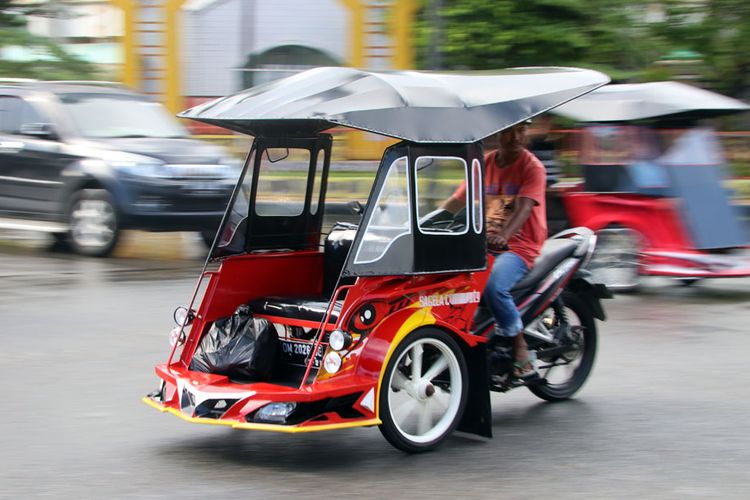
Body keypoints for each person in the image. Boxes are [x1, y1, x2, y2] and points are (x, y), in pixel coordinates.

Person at [442, 121, 547, 380]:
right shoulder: (485, 163)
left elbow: (523, 209)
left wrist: (503, 236)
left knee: (494, 285)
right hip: (483, 242)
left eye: (521, 130)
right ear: (499, 133)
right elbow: (457, 200)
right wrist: (429, 221)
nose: (516, 136)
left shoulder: (532, 168)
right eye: (510, 130)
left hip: (519, 246)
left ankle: (519, 346)